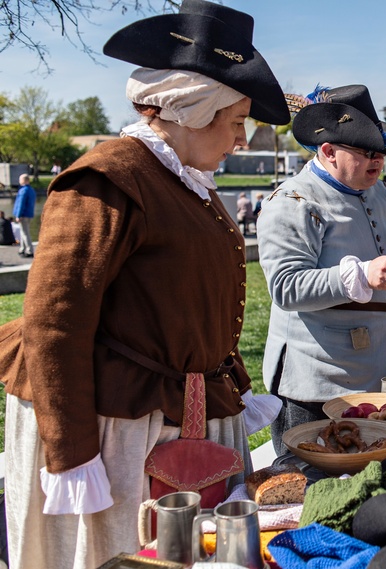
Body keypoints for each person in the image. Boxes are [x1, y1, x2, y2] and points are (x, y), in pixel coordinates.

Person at [0, 2, 289, 567]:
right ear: (191, 109)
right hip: (116, 429)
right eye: (235, 122)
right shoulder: (109, 179)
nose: (241, 139)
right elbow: (55, 323)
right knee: (124, 551)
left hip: (183, 413)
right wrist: (72, 454)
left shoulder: (188, 184)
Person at [257, 84, 386, 454]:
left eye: (380, 152)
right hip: (318, 382)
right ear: (328, 151)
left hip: (380, 378)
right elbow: (285, 286)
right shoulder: (294, 201)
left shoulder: (384, 194)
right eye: (365, 152)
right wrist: (360, 275)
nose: (378, 161)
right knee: (313, 488)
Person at [12, 173, 36, 257]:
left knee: (25, 233)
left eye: (20, 179)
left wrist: (18, 215)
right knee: (23, 232)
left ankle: (30, 250)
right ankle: (22, 249)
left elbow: (20, 204)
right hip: (29, 214)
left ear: (24, 180)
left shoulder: (23, 191)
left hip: (23, 215)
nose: (19, 181)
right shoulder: (31, 190)